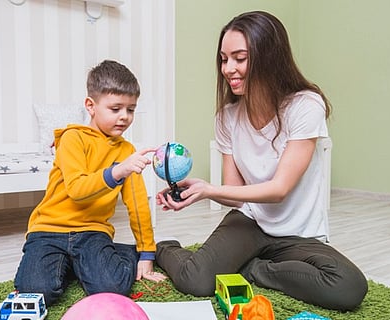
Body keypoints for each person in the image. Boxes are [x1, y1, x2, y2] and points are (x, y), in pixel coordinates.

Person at [155, 11, 367, 311]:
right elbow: (234, 193)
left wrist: (208, 189)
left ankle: (250, 269)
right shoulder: (227, 117)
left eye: (239, 58)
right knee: (195, 282)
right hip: (250, 223)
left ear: (269, 56)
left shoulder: (305, 105)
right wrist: (202, 190)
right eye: (224, 59)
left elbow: (279, 189)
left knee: (348, 286)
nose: (229, 68)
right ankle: (164, 247)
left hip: (298, 235)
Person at [14, 60, 166, 305]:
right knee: (36, 291)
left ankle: (115, 255)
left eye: (131, 109)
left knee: (112, 289)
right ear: (90, 105)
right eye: (115, 108)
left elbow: (137, 205)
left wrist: (146, 253)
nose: (124, 117)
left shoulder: (128, 151)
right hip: (49, 230)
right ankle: (84, 263)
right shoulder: (72, 139)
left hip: (93, 232)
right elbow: (77, 189)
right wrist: (118, 171)